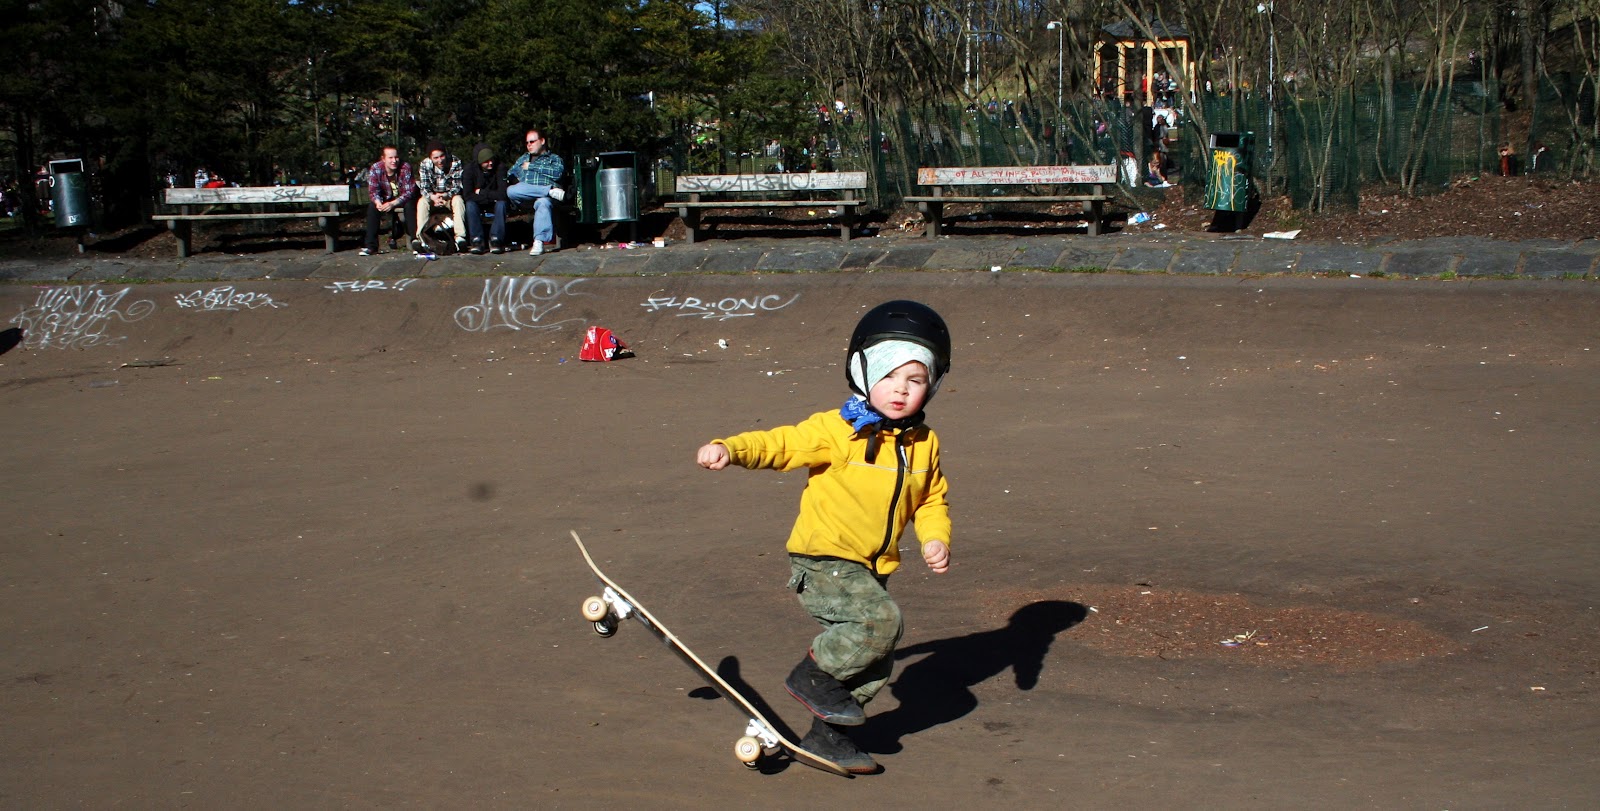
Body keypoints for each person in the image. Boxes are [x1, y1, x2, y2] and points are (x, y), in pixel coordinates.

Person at [693, 300, 954, 775]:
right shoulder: (837, 430)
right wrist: (731, 448)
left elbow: (931, 499)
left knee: (874, 660)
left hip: (872, 569)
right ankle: (811, 676)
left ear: (931, 386)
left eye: (915, 380)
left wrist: (935, 539)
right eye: (888, 374)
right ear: (862, 373)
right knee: (882, 623)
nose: (900, 389)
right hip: (823, 560)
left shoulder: (924, 443)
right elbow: (781, 443)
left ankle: (829, 738)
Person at [505, 128, 565, 256]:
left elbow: (557, 174)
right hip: (525, 197)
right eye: (527, 142)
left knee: (543, 202)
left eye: (532, 141)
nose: (529, 145)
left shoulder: (553, 158)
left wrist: (532, 166)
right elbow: (510, 174)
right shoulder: (523, 158)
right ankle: (549, 191)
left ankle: (539, 241)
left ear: (542, 141)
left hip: (544, 199)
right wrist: (517, 180)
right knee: (510, 190)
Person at [361, 145, 416, 257]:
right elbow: (373, 191)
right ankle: (371, 246)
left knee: (410, 206)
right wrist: (378, 202)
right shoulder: (376, 168)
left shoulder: (405, 167)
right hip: (385, 199)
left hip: (402, 199)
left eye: (396, 157)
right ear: (383, 159)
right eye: (390, 158)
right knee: (372, 207)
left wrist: (393, 203)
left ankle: (416, 241)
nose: (394, 161)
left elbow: (409, 192)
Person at [415, 140, 466, 253]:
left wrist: (445, 196)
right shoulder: (425, 165)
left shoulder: (455, 162)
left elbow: (457, 186)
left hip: (449, 196)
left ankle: (460, 237)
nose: (440, 160)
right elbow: (424, 187)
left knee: (458, 200)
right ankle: (421, 238)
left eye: (442, 156)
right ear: (430, 158)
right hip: (433, 197)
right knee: (422, 202)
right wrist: (433, 197)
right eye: (436, 158)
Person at [461, 143, 509, 254]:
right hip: (478, 201)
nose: (490, 163)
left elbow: (502, 194)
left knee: (501, 204)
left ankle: (496, 238)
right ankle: (476, 239)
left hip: (493, 200)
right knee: (470, 205)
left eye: (491, 160)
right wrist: (489, 196)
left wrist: (482, 192)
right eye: (486, 161)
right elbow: (468, 195)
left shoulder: (500, 168)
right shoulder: (469, 170)